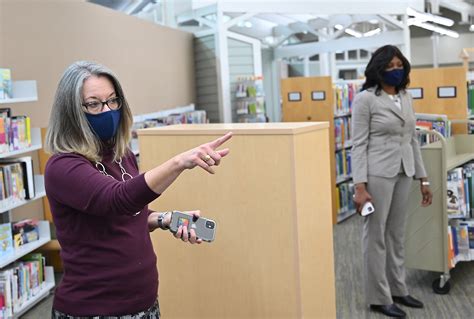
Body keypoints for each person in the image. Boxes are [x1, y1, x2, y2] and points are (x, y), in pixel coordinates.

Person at [44, 61, 232, 318]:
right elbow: (116, 200)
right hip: (94, 308)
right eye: (94, 103)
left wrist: (163, 219)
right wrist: (179, 162)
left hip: (142, 303)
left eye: (113, 100)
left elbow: (126, 214)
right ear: (71, 112)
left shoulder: (121, 154)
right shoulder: (63, 166)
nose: (107, 110)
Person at [351, 45, 433, 318]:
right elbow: (358, 145)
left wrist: (423, 178)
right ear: (379, 68)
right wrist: (359, 187)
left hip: (404, 172)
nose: (396, 70)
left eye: (400, 65)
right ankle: (378, 297)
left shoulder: (406, 97)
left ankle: (398, 289)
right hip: (377, 174)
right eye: (391, 65)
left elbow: (412, 140)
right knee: (376, 236)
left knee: (396, 235)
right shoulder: (366, 100)